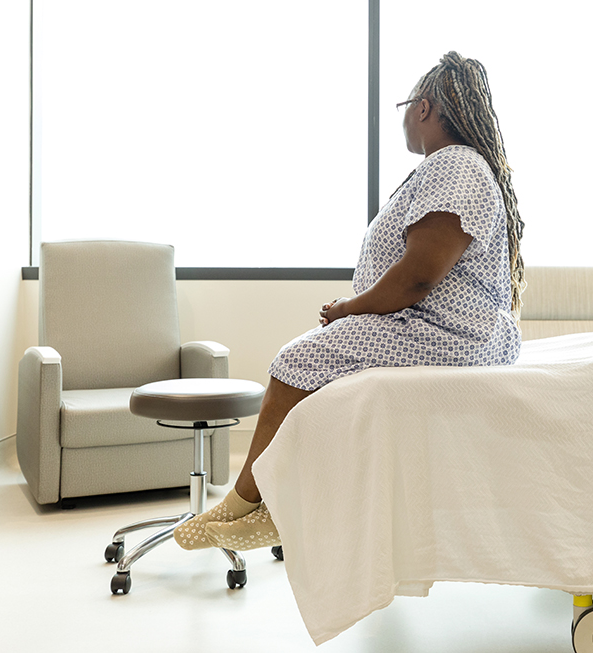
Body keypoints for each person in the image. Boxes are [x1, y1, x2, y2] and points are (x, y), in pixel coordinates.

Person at [173, 51, 526, 551]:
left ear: (424, 107)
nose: (403, 117)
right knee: (315, 363)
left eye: (406, 106)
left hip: (449, 335)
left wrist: (348, 310)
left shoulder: (456, 165)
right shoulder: (456, 167)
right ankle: (280, 501)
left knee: (299, 358)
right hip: (447, 330)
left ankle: (246, 504)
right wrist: (354, 308)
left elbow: (418, 277)